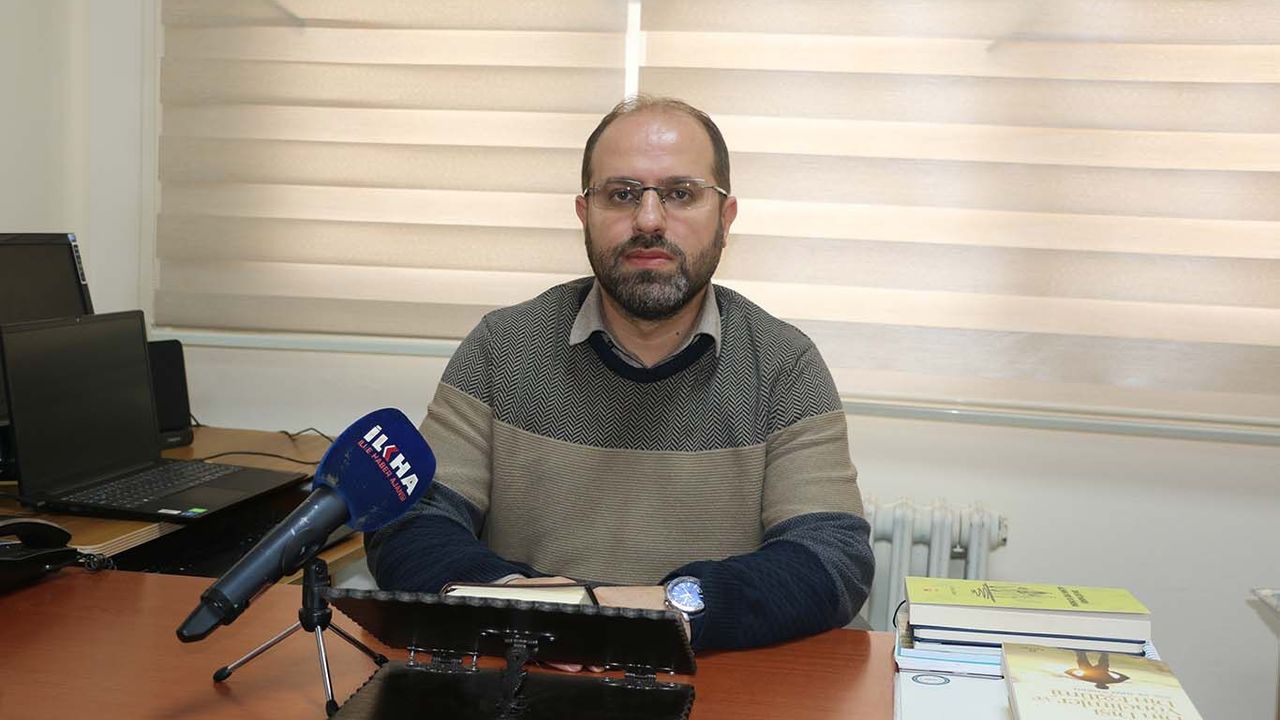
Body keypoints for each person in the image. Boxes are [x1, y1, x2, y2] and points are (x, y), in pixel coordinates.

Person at [365, 95, 874, 651]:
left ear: (725, 218)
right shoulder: (502, 347)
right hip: (528, 666)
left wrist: (661, 610)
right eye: (622, 194)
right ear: (584, 214)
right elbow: (409, 520)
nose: (649, 220)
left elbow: (833, 557)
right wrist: (523, 603)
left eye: (681, 193)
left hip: (715, 673)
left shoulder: (784, 364)